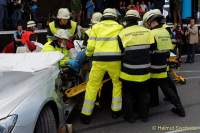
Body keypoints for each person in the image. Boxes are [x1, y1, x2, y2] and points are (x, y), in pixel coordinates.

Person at [80, 8, 123, 124]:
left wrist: (88, 55)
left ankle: (86, 114)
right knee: (117, 84)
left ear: (104, 16)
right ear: (115, 17)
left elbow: (90, 46)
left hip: (99, 60)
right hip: (115, 60)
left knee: (93, 85)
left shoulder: (96, 27)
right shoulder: (120, 27)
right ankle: (116, 111)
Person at [143, 10, 185, 117]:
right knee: (166, 87)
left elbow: (148, 49)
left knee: (151, 88)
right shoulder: (165, 32)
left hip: (153, 66)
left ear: (150, 21)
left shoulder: (151, 33)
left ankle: (145, 112)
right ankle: (178, 107)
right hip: (163, 64)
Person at [118, 10, 154, 123]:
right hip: (144, 71)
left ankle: (129, 117)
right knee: (143, 94)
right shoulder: (148, 32)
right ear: (137, 19)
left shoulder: (122, 33)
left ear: (126, 20)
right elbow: (152, 49)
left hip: (128, 72)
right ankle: (144, 116)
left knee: (128, 94)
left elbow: (121, 51)